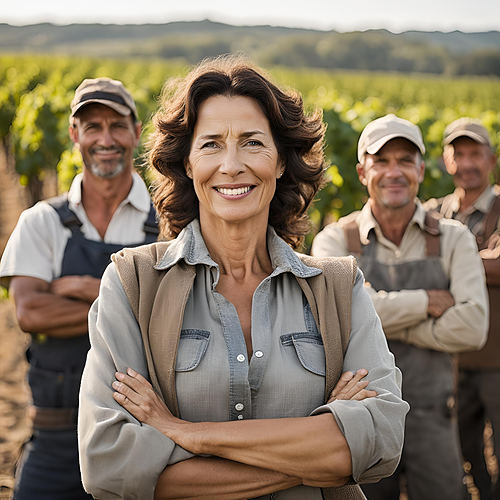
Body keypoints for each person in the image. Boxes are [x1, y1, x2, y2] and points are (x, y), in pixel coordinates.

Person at [78, 56, 409, 500]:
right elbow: (109, 465)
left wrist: (188, 435)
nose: (232, 165)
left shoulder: (338, 287)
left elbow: (381, 442)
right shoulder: (133, 283)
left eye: (252, 143)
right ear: (188, 163)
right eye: (211, 144)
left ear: (280, 163)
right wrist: (319, 450)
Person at [311, 114, 489, 500]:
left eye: (405, 161)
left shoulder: (454, 238)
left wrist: (370, 317)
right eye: (382, 161)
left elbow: (473, 327)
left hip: (434, 414)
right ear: (362, 171)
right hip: (361, 416)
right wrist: (428, 302)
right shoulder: (333, 243)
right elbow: (334, 323)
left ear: (421, 170)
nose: (394, 172)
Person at [0, 77, 158, 500]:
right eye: (92, 127)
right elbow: (30, 313)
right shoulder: (41, 222)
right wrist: (133, 301)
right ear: (75, 134)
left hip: (147, 436)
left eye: (117, 125)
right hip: (56, 437)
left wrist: (89, 287)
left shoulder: (169, 224)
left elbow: (177, 318)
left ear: (136, 131)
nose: (106, 139)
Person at [425, 117, 500, 499]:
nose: (467, 162)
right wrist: (478, 261)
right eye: (459, 153)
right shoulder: (434, 212)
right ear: (446, 161)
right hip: (451, 359)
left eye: (476, 153)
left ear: (492, 159)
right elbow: (415, 268)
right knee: (464, 450)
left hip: (497, 360)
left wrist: (450, 265)